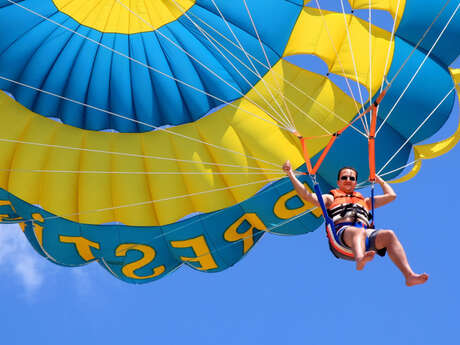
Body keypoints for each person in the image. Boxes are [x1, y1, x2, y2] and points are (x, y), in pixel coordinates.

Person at [283, 160, 429, 287]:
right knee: (356, 231)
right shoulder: (331, 197)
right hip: (342, 238)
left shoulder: (364, 201)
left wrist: (380, 181)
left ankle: (409, 276)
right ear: (338, 182)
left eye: (351, 178)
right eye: (344, 177)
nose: (348, 179)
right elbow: (307, 196)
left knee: (389, 235)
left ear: (355, 182)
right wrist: (290, 174)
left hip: (365, 237)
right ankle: (360, 259)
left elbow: (391, 196)